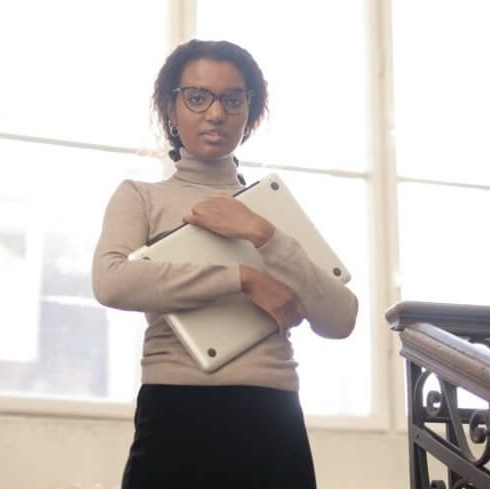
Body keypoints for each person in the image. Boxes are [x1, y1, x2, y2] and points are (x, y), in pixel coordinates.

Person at [92, 39, 359, 488]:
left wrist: (262, 233)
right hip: (175, 410)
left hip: (272, 413)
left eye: (233, 100)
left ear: (249, 113)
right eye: (197, 97)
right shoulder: (141, 197)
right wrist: (242, 278)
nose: (215, 113)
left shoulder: (274, 208)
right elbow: (111, 281)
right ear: (170, 109)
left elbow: (341, 318)